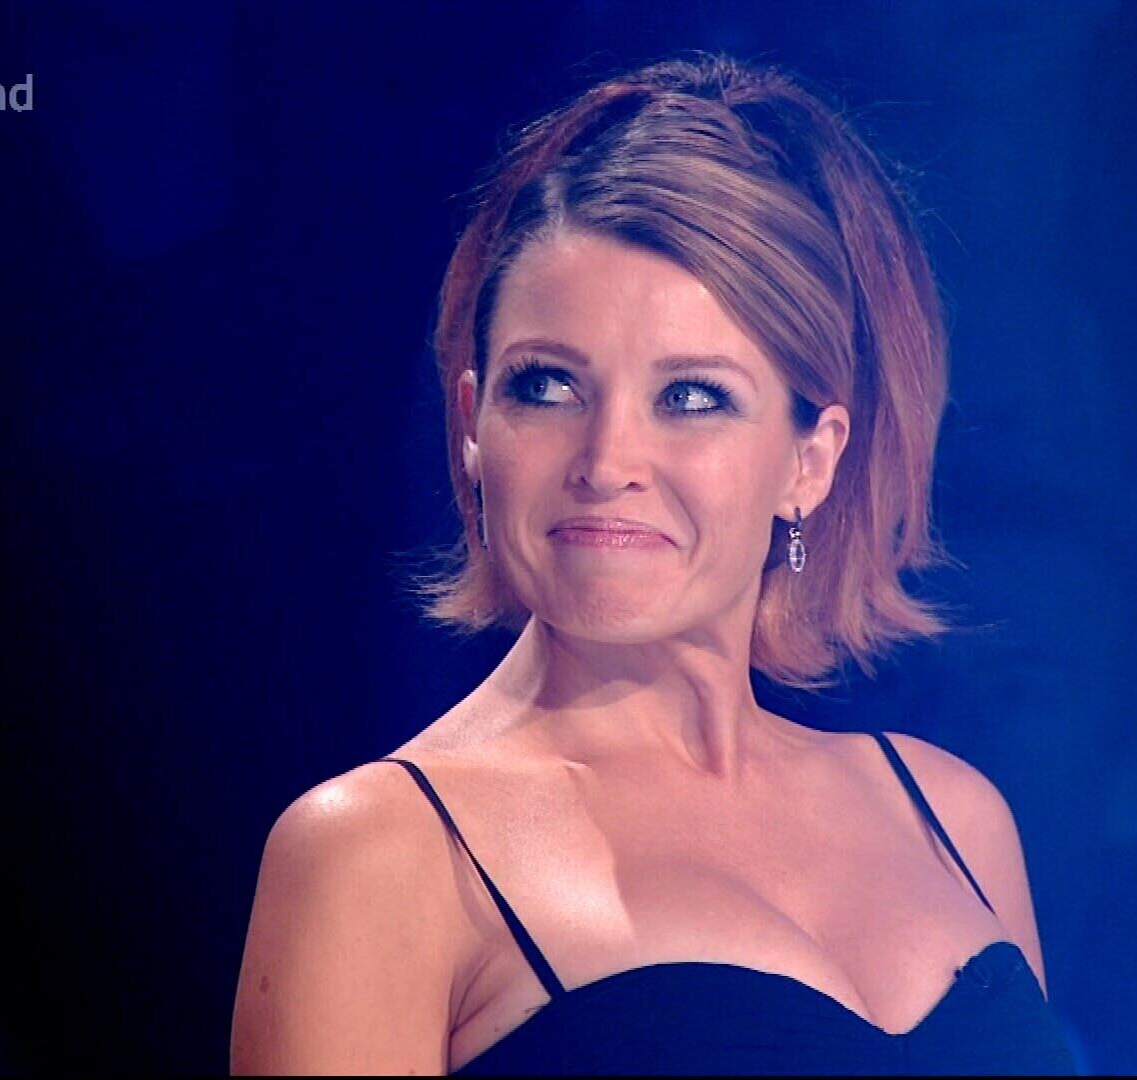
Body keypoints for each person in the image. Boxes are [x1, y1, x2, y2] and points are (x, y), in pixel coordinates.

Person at [230, 53, 1078, 1075]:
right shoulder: (379, 854)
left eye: (691, 397)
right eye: (547, 386)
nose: (606, 463)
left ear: (810, 460)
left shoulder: (951, 818)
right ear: (473, 424)